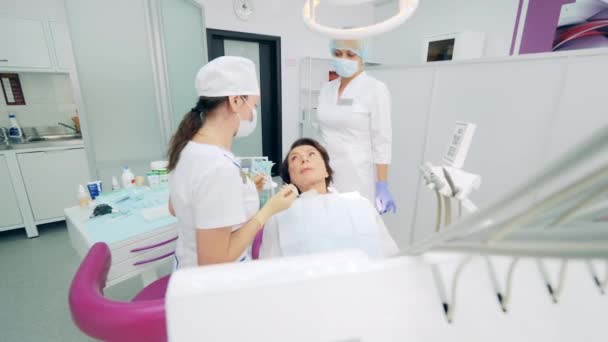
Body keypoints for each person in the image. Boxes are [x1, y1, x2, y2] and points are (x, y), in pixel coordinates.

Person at [167, 56, 298, 268]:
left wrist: (240, 190)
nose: (252, 114)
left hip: (185, 268)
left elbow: (176, 207)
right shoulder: (218, 166)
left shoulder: (188, 148)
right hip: (214, 287)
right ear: (236, 101)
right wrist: (268, 210)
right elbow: (214, 261)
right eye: (252, 105)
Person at [259, 138, 399, 259]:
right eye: (294, 158)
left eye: (311, 154)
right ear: (290, 178)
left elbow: (391, 255)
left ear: (326, 171)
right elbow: (269, 269)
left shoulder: (361, 205)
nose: (304, 159)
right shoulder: (279, 217)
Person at [316, 39, 396, 214]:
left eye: (350, 54)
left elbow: (382, 140)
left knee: (355, 226)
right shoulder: (326, 89)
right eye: (338, 54)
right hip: (325, 172)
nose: (343, 59)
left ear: (363, 57)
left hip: (357, 175)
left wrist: (382, 184)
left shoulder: (375, 89)